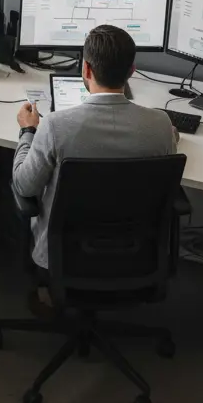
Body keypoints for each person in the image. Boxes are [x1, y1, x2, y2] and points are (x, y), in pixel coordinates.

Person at [12, 25, 177, 292]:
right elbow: (170, 141)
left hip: (62, 254)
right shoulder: (161, 125)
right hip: (134, 253)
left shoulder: (54, 126)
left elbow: (24, 185)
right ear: (131, 72)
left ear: (86, 70)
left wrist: (28, 131)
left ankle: (49, 295)